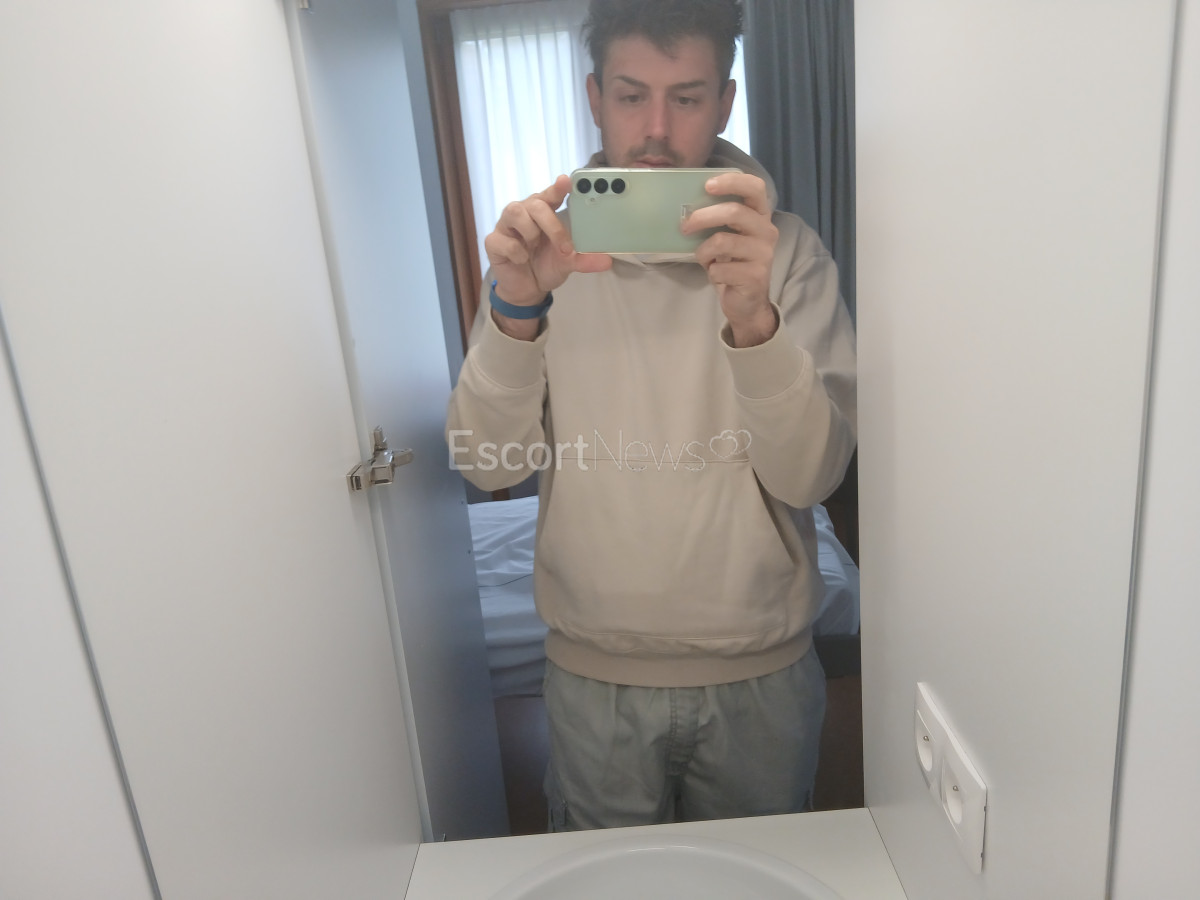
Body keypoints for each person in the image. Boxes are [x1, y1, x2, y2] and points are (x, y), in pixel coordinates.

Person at [446, 0, 856, 831]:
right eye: (632, 96)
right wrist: (517, 311)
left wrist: (756, 322)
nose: (658, 130)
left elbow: (811, 478)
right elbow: (487, 465)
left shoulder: (789, 256)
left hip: (762, 675)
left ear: (726, 102)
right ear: (595, 97)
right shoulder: (540, 262)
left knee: (755, 883)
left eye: (688, 97)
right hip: (594, 678)